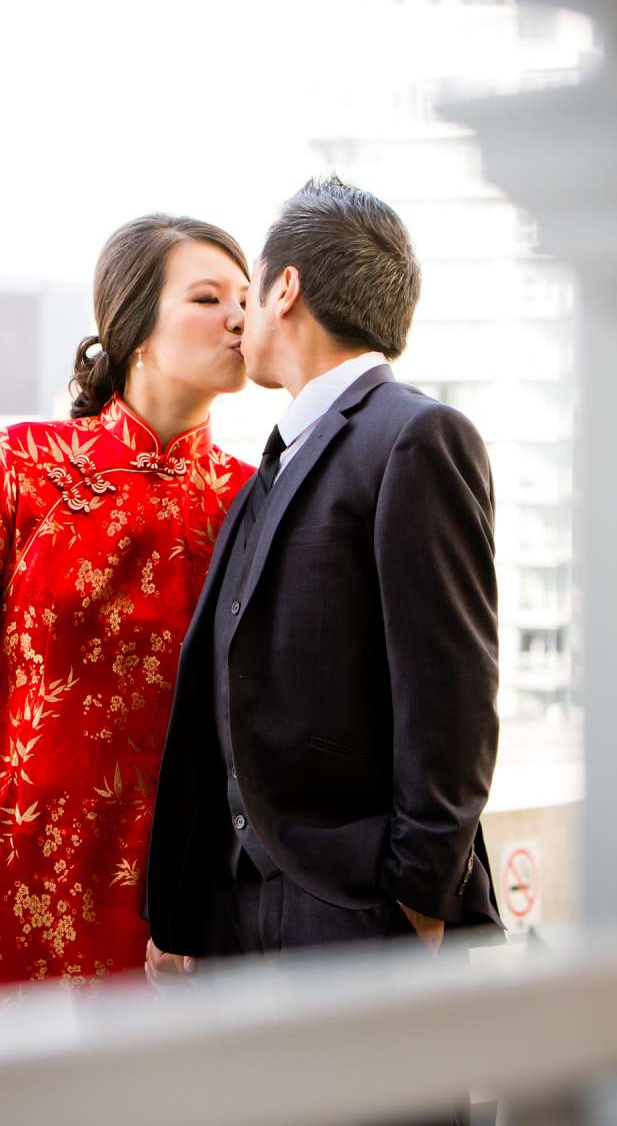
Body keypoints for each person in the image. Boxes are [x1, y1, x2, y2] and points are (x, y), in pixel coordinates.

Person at [146, 175, 503, 971]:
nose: (238, 319)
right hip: (241, 924)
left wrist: (417, 900)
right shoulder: (264, 474)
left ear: (288, 289)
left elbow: (452, 696)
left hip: (361, 916)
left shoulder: (414, 437)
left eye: (250, 292)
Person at [0, 214, 256, 1020]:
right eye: (209, 298)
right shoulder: (17, 466)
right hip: (7, 879)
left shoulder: (251, 499)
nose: (240, 317)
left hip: (167, 906)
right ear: (134, 328)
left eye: (247, 298)